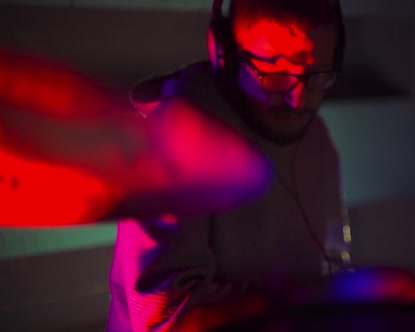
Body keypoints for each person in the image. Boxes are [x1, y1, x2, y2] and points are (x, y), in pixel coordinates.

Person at [107, 0, 350, 331]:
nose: (300, 100)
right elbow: (167, 320)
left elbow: (333, 262)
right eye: (276, 73)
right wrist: (304, 303)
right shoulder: (173, 140)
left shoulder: (316, 136)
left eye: (317, 75)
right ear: (226, 55)